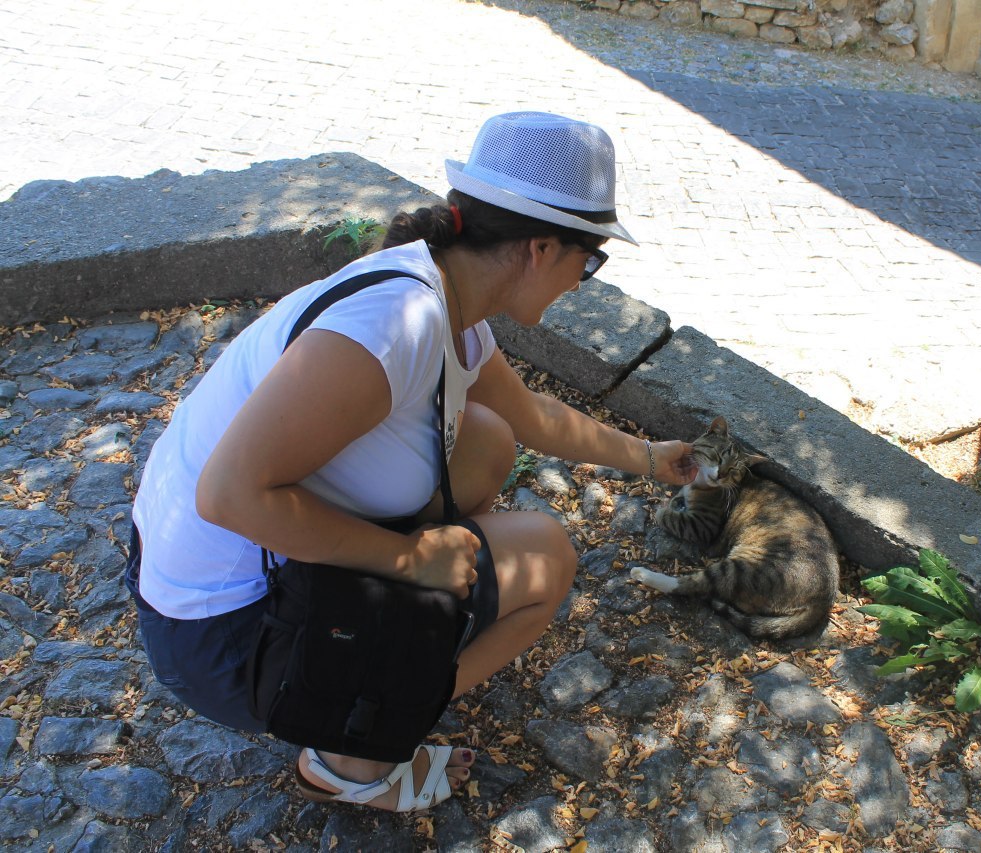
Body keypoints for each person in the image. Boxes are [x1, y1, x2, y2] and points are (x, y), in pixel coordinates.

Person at [128, 111, 697, 812]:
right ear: (542, 248)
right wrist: (411, 561)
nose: (586, 278)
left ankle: (381, 656)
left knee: (487, 439)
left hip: (218, 582)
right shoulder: (395, 329)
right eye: (593, 258)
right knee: (546, 555)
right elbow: (229, 496)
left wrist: (649, 456)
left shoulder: (444, 297)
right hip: (220, 636)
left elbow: (533, 418)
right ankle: (350, 745)